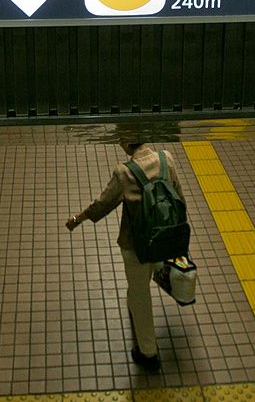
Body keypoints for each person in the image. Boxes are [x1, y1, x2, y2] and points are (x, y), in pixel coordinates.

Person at [65, 140, 187, 373]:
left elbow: (102, 205)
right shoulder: (166, 159)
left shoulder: (124, 173)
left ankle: (148, 353)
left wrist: (77, 219)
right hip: (164, 237)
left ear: (126, 143)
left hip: (136, 245)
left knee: (140, 294)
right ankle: (138, 295)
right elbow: (180, 198)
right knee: (153, 271)